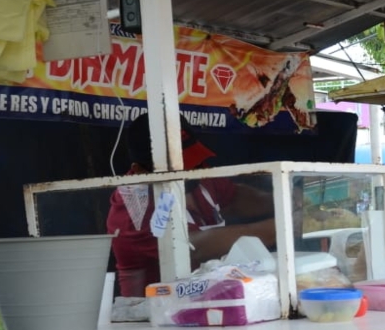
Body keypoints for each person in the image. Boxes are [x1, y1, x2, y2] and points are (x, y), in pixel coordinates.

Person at [107, 114, 277, 297]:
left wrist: (283, 198)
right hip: (154, 312)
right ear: (141, 170)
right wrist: (278, 227)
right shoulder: (134, 208)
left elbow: (234, 197)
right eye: (182, 165)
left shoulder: (195, 175)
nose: (195, 168)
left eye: (194, 159)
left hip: (210, 297)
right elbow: (193, 247)